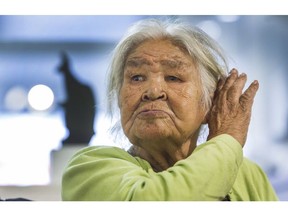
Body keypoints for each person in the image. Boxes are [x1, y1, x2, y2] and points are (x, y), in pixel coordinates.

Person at [61, 18, 278, 201]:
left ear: (210, 104)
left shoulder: (247, 174)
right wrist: (226, 140)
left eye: (173, 77)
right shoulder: (89, 169)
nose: (152, 91)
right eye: (136, 77)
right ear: (119, 99)